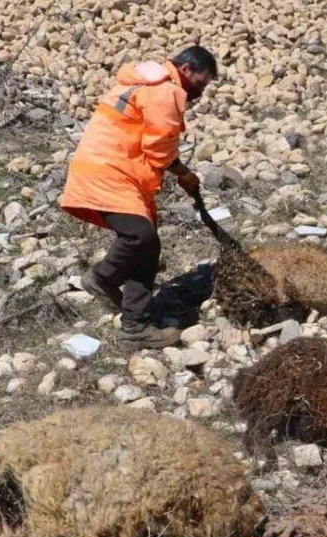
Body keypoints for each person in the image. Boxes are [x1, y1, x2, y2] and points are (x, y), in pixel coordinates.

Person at [59, 45, 217, 350]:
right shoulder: (165, 91)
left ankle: (134, 328)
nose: (199, 92)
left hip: (113, 170)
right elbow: (159, 147)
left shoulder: (143, 83)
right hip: (109, 171)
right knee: (139, 236)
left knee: (148, 244)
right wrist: (184, 174)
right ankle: (101, 279)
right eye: (200, 82)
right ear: (186, 70)